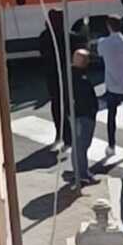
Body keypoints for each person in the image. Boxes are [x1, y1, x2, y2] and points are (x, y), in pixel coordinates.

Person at [95, 15, 123, 155]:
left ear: (108, 26)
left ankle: (111, 145)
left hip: (112, 86)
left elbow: (100, 54)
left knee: (111, 116)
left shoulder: (103, 43)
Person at [38, 10, 76, 148]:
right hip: (66, 75)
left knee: (56, 105)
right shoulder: (68, 37)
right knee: (67, 106)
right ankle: (68, 137)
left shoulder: (44, 37)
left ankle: (59, 134)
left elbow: (42, 53)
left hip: (51, 75)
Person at [70, 49, 99, 187]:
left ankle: (82, 172)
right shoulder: (78, 79)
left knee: (81, 146)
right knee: (80, 146)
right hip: (82, 116)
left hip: (82, 115)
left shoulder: (73, 75)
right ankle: (81, 175)